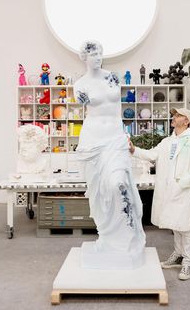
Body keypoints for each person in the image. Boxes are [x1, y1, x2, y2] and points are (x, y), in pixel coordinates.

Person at [74, 40, 145, 270]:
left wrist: (123, 137)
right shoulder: (80, 85)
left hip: (115, 139)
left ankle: (128, 237)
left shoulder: (112, 77)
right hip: (93, 141)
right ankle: (106, 237)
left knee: (118, 184)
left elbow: (116, 110)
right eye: (93, 54)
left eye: (100, 53)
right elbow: (84, 104)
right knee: (99, 193)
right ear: (84, 57)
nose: (98, 57)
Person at [129, 108, 190, 280]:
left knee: (184, 227)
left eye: (178, 115)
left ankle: (188, 262)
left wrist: (182, 183)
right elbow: (151, 154)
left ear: (186, 121)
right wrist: (134, 150)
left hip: (182, 190)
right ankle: (178, 254)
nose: (174, 117)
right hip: (167, 190)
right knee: (174, 223)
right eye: (174, 114)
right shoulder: (166, 142)